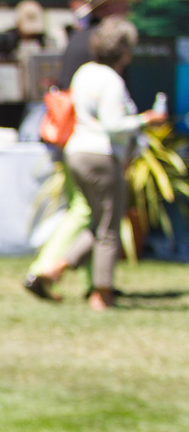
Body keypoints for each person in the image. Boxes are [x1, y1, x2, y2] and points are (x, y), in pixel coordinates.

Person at [28, 17, 165, 311]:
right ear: (124, 51)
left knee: (97, 222)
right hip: (101, 155)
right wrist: (147, 119)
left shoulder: (85, 72)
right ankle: (101, 295)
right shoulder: (112, 80)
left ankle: (56, 269)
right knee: (109, 228)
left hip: (76, 152)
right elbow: (114, 125)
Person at [59, 0, 139, 89]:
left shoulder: (77, 37)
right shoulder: (109, 40)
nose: (127, 10)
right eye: (123, 3)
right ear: (108, 7)